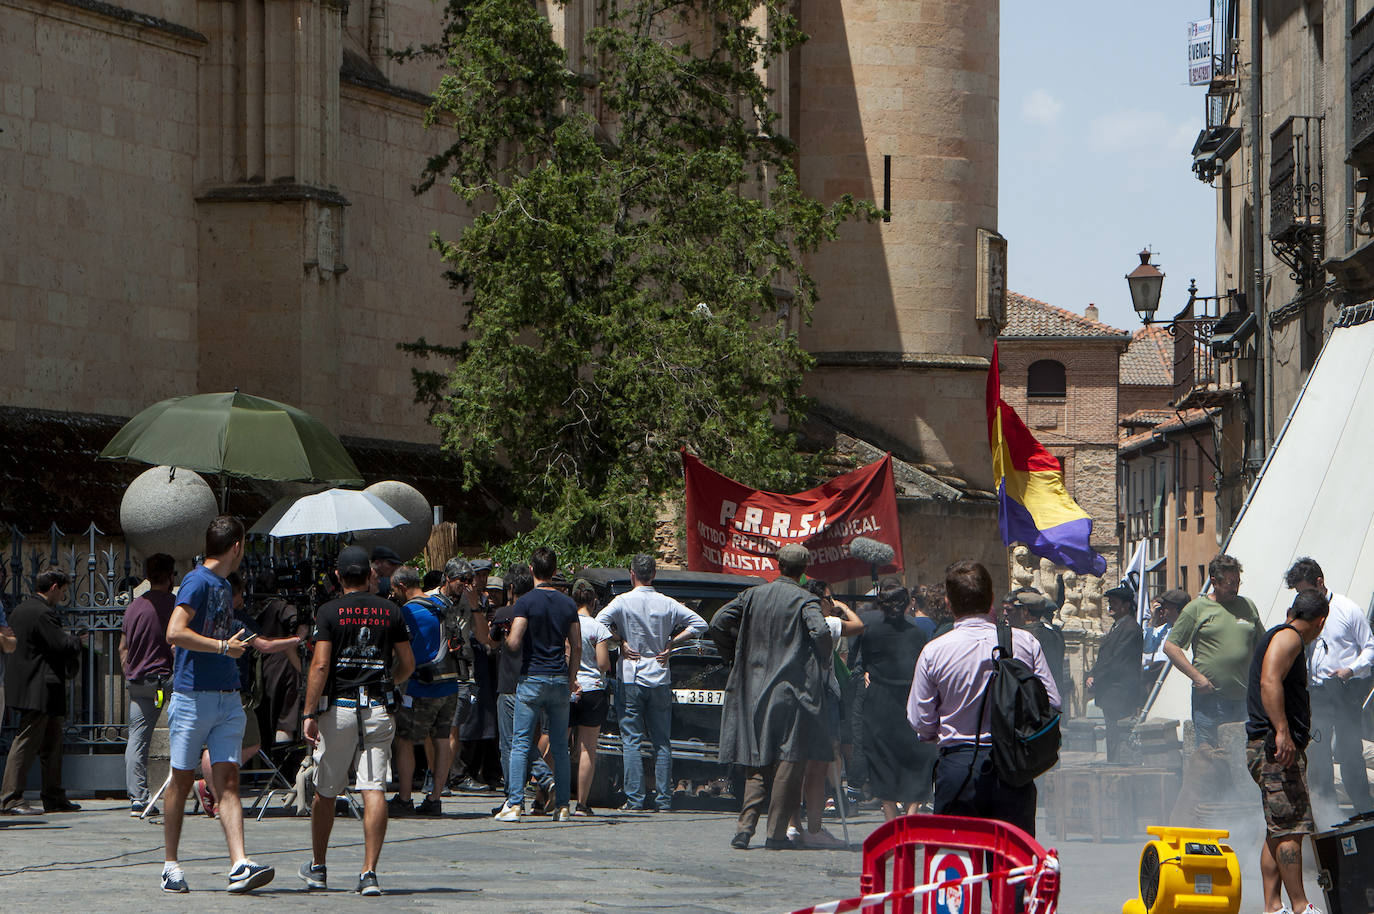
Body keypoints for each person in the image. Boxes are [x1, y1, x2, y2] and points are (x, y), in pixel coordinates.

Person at [160, 517, 275, 894]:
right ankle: (170, 864)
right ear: (237, 546)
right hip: (194, 696)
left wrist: (231, 644)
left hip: (227, 696)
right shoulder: (197, 581)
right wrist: (224, 647)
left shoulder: (224, 585)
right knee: (180, 778)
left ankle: (239, 863)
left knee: (228, 781)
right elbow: (175, 631)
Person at [908, 560, 1061, 836]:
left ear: (949, 603)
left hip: (958, 767)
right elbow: (1053, 703)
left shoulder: (934, 651)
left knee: (957, 865)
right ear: (991, 599)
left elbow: (920, 720)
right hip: (1014, 767)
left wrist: (938, 732)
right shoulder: (1025, 643)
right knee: (1013, 866)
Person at [298, 545, 415, 896]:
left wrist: (308, 711)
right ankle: (368, 873)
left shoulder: (329, 612)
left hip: (340, 708)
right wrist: (386, 682)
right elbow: (407, 664)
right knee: (374, 787)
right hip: (377, 708)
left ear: (338, 576)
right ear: (369, 574)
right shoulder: (391, 611)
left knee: (326, 789)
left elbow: (319, 665)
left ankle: (319, 866)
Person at [709, 543, 833, 851]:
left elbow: (717, 622)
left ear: (779, 565)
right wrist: (823, 661)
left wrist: (733, 656)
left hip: (754, 690)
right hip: (792, 693)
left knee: (757, 760)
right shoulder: (806, 600)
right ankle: (776, 834)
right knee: (787, 763)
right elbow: (821, 633)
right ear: (804, 570)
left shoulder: (753, 595)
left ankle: (744, 828)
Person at [595, 553, 707, 812]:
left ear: (632, 574)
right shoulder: (667, 603)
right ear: (653, 574)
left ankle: (635, 798)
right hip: (659, 674)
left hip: (631, 675)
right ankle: (664, 799)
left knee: (632, 739)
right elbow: (700, 624)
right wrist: (673, 642)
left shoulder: (622, 601)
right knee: (661, 741)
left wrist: (619, 640)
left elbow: (599, 622)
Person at [1244, 589, 1330, 914]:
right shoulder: (1290, 638)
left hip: (1267, 748)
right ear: (1320, 622)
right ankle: (1299, 907)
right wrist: (1282, 731)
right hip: (1274, 750)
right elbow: (1269, 682)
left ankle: (1272, 907)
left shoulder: (1282, 634)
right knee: (1292, 826)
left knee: (1277, 829)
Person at [495, 547, 580, 823]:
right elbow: (576, 645)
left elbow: (516, 641)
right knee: (559, 746)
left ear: (531, 569)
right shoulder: (568, 604)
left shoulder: (526, 602)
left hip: (532, 677)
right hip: (558, 679)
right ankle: (564, 806)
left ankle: (515, 804)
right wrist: (570, 678)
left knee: (520, 742)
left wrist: (506, 640)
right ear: (555, 571)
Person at [1286, 557, 1374, 815]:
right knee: (1318, 753)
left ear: (1320, 582)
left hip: (1344, 689)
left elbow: (1370, 646)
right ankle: (1326, 812)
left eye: (1305, 591)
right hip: (1316, 692)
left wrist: (1351, 669)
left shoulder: (1347, 608)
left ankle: (1363, 810)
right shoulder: (1301, 612)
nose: (1301, 597)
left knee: (1349, 752)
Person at [1, 566, 82, 815]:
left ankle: (54, 795)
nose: (62, 597)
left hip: (34, 686)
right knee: (26, 741)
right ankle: (10, 797)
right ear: (55, 587)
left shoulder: (21, 610)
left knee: (52, 743)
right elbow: (60, 644)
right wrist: (78, 639)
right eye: (63, 591)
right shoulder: (43, 613)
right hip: (39, 688)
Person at [1163, 554, 1261, 748]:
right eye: (1230, 583)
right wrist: (1197, 677)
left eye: (1238, 582)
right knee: (1209, 755)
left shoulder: (1247, 606)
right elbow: (1171, 647)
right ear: (1214, 582)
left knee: (1244, 754)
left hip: (1243, 698)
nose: (1235, 588)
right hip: (1211, 699)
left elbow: (1261, 645)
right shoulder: (1197, 609)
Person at [857, 579, 934, 822]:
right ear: (908, 604)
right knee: (916, 758)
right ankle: (911, 815)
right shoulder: (918, 634)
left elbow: (864, 663)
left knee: (881, 758)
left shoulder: (870, 632)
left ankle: (891, 816)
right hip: (909, 699)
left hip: (879, 701)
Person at [390, 564, 460, 817]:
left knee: (406, 740)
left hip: (421, 686)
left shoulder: (407, 611)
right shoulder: (443, 604)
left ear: (401, 586)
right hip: (451, 684)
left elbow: (403, 652)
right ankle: (435, 798)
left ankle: (405, 798)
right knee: (442, 740)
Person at [121, 553, 177, 816]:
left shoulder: (133, 607)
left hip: (139, 681)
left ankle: (137, 797)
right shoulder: (173, 605)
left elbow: (123, 647)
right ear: (170, 577)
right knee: (185, 731)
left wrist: (128, 670)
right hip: (163, 683)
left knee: (138, 738)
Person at [1086, 584, 1144, 762]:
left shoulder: (1130, 628)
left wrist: (1096, 677)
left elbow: (1117, 660)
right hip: (1111, 692)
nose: (1110, 606)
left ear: (1126, 606)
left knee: (1119, 737)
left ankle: (1119, 768)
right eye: (1110, 602)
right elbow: (1105, 657)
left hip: (1120, 692)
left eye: (1115, 603)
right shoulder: (1118, 627)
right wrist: (1092, 673)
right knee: (1113, 736)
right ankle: (1114, 764)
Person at [570, 578, 612, 815]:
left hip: (568, 688)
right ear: (594, 602)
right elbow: (603, 664)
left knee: (558, 744)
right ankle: (582, 804)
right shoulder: (598, 628)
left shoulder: (567, 624)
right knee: (588, 748)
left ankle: (550, 797)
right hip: (593, 690)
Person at [1142, 589, 1189, 680]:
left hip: (1174, 677)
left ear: (1175, 607)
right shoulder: (1162, 630)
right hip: (1156, 676)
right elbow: (1147, 649)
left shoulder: (1186, 630)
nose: (1162, 609)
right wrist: (1153, 620)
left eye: (1165, 606)